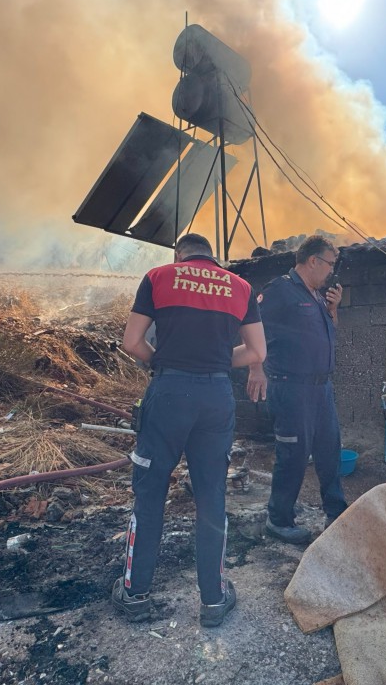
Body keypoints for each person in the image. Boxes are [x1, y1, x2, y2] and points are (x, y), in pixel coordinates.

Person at [113, 233, 265, 628]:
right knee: (211, 496)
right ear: (211, 256)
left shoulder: (158, 277)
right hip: (216, 396)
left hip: (169, 392)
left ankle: (135, 595)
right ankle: (213, 600)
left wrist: (164, 362)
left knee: (150, 492)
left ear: (178, 256)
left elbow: (132, 341)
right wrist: (214, 362)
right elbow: (257, 352)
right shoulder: (241, 287)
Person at [246, 235, 348, 545]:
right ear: (313, 261)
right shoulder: (280, 290)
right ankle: (279, 520)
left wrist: (333, 309)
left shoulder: (317, 296)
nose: (332, 271)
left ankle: (336, 512)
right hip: (291, 388)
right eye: (330, 264)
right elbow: (254, 328)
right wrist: (255, 368)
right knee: (292, 455)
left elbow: (329, 332)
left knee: (330, 451)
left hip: (321, 388)